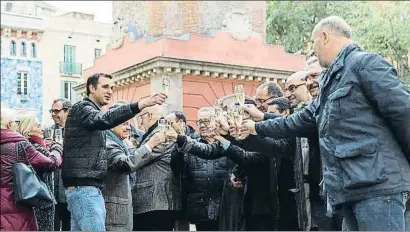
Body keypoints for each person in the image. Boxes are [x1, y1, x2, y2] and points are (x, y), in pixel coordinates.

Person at [242, 16, 410, 231]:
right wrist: (257, 124)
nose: (314, 51)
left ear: (324, 36)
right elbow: (299, 120)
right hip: (351, 189)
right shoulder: (331, 81)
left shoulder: (365, 64)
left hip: (379, 188)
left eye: (314, 44)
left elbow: (404, 112)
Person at [62, 73, 166, 231]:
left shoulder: (88, 113)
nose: (110, 91)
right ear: (91, 88)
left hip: (84, 189)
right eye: (105, 87)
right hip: (85, 189)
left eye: (112, 87)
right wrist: (141, 104)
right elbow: (104, 119)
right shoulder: (83, 108)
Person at [102, 102, 167, 231]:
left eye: (129, 124)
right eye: (124, 124)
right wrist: (150, 144)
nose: (128, 128)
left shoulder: (119, 141)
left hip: (120, 211)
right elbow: (126, 164)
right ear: (111, 125)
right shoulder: (109, 143)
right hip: (114, 212)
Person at [0, 108, 63, 231]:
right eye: (14, 123)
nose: (16, 126)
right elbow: (51, 163)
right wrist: (58, 147)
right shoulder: (20, 145)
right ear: (8, 125)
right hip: (16, 207)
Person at [170, 109, 229, 231]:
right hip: (200, 209)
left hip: (225, 207)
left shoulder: (227, 144)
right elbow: (177, 169)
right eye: (200, 122)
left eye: (206, 121)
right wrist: (179, 149)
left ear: (216, 121)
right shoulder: (190, 144)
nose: (202, 125)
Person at [132, 105, 181, 231]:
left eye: (141, 117)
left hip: (156, 202)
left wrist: (130, 149)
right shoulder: (157, 132)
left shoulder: (161, 133)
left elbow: (140, 159)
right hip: (154, 203)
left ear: (150, 116)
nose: (140, 122)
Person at [17, 112, 59, 231]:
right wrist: (57, 147)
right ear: (28, 130)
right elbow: (53, 162)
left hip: (35, 198)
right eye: (37, 126)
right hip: (40, 199)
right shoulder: (34, 147)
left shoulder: (30, 145)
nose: (41, 128)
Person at [44, 98, 72, 231]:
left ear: (67, 112)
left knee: (69, 223)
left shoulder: (75, 131)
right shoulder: (47, 131)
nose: (53, 114)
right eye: (52, 111)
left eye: (56, 111)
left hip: (68, 186)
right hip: (52, 187)